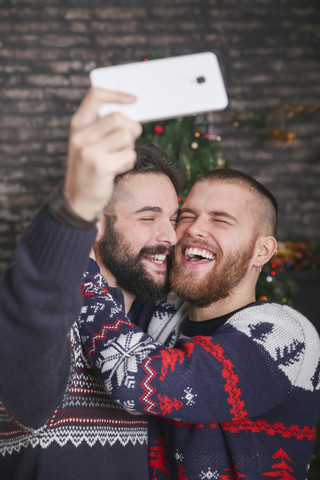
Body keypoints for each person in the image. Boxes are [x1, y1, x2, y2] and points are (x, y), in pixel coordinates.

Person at [79, 168, 320, 480]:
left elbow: (135, 378)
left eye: (219, 220)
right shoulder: (160, 313)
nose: (194, 230)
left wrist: (79, 267)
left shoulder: (285, 335)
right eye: (187, 216)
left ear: (262, 251)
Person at [0, 87, 181, 480]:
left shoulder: (167, 323)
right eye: (148, 217)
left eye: (174, 218)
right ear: (98, 226)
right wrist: (74, 206)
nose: (170, 236)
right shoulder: (49, 317)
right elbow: (34, 328)